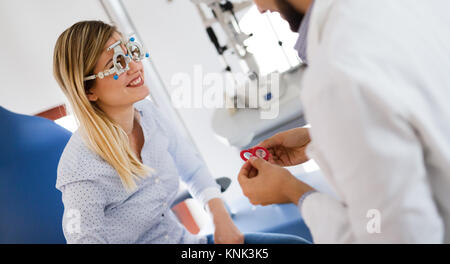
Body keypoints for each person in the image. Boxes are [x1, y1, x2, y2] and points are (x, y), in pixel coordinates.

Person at [188, 0, 450, 243]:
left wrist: (294, 192)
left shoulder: (335, 71)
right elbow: (423, 124)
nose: (259, 8)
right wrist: (322, 138)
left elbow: (390, 236)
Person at [53, 20, 308, 244]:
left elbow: (193, 169)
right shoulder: (81, 168)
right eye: (117, 63)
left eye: (130, 53)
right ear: (89, 91)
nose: (134, 67)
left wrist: (221, 219)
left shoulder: (148, 114)